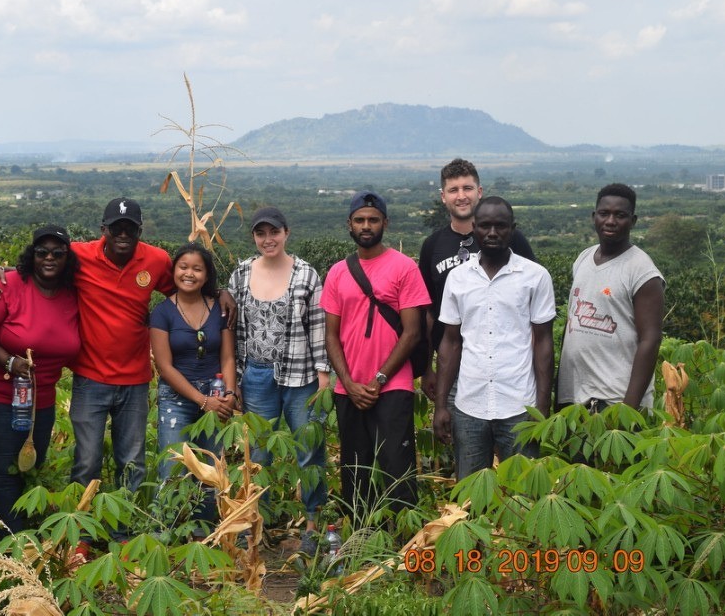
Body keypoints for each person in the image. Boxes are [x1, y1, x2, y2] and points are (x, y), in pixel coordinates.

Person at [0, 197, 173, 499]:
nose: (122, 235)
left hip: (135, 379)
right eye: (116, 229)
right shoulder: (80, 255)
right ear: (103, 230)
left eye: (130, 229)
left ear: (140, 231)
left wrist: (219, 293)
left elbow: (185, 288)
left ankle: (126, 528)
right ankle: (84, 530)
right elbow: (41, 259)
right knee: (86, 461)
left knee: (133, 460)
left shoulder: (157, 260)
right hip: (90, 377)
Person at [321, 191, 430, 519]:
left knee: (397, 468)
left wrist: (379, 378)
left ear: (385, 223)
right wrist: (349, 383)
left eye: (373, 219)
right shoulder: (338, 272)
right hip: (349, 389)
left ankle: (404, 544)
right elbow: (331, 334)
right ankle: (359, 541)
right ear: (349, 225)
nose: (366, 226)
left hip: (393, 386)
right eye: (360, 220)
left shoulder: (404, 267)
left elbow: (413, 332)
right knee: (355, 470)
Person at [226, 206, 328, 553]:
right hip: (256, 375)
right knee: (258, 455)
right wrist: (234, 379)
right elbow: (234, 329)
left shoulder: (305, 275)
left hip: (300, 374)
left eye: (274, 232)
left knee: (308, 451)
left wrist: (323, 376)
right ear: (254, 237)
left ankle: (313, 522)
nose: (267, 240)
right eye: (260, 234)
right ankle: (256, 523)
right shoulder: (241, 274)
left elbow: (318, 327)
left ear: (286, 233)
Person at [432, 197, 556, 480]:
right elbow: (450, 343)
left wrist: (542, 407)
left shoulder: (535, 277)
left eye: (500, 226)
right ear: (474, 228)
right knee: (472, 498)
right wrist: (441, 406)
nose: (492, 232)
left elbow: (543, 343)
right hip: (469, 406)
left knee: (523, 495)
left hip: (520, 406)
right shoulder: (458, 278)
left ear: (512, 229)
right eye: (485, 225)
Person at [0, 225, 80, 533]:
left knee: (29, 470)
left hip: (40, 402)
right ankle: (12, 547)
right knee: (3, 474)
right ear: (32, 255)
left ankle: (22, 538)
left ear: (67, 258)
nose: (49, 258)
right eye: (42, 252)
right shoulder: (7, 285)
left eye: (58, 253)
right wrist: (8, 360)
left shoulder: (73, 294)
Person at [418, 158, 536, 402]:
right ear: (443, 196)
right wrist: (427, 369)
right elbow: (428, 313)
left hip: (508, 366)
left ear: (479, 192)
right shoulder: (432, 246)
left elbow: (533, 303)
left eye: (467, 188)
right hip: (452, 365)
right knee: (458, 437)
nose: (461, 196)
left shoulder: (511, 239)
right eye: (453, 190)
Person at [557, 184, 665, 412]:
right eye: (604, 213)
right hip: (574, 398)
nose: (610, 221)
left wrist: (628, 409)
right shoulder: (583, 259)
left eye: (620, 215)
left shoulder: (642, 271)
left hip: (615, 400)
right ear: (594, 216)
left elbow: (651, 339)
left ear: (633, 220)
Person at [150, 242, 237, 521]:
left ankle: (207, 530)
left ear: (206, 274)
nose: (189, 274)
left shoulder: (219, 309)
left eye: (197, 269)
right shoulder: (162, 312)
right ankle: (167, 531)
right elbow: (164, 366)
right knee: (174, 466)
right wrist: (202, 401)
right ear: (174, 270)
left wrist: (230, 395)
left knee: (212, 467)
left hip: (216, 392)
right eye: (183, 267)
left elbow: (227, 358)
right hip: (177, 399)